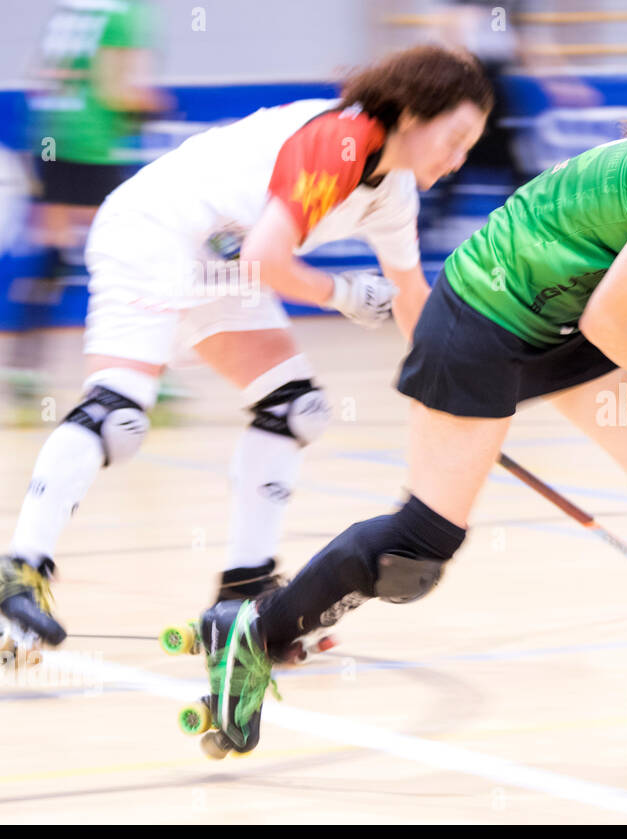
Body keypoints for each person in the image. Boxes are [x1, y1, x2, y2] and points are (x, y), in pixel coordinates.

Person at [185, 56, 627, 763]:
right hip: (484, 315)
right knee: (416, 552)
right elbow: (613, 319)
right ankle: (256, 629)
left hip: (565, 326)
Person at [0, 46, 493, 662]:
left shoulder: (393, 193)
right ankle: (20, 572)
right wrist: (340, 293)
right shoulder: (341, 138)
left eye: (471, 145)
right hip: (154, 230)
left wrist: (453, 395)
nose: (459, 159)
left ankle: (244, 593)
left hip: (221, 260)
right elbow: (266, 258)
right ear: (416, 115)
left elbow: (411, 295)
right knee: (118, 417)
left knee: (296, 409)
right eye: (456, 137)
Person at [5, 0, 166, 407]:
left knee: (52, 254)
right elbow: (116, 91)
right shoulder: (123, 13)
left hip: (50, 137)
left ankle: (24, 367)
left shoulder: (71, 8)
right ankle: (149, 372)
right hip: (92, 147)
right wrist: (153, 107)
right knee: (133, 256)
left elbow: (41, 74)